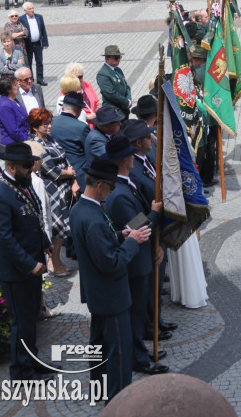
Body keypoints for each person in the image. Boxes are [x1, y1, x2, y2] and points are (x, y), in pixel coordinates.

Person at [70, 157, 150, 399]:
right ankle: (118, 401)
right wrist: (132, 242)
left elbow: (98, 244)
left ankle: (99, 390)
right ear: (100, 186)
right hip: (111, 295)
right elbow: (111, 262)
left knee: (99, 346)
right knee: (118, 351)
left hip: (97, 293)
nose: (112, 191)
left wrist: (118, 235)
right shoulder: (93, 217)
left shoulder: (81, 209)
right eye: (111, 187)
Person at [0, 142, 55, 381]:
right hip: (17, 271)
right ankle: (21, 372)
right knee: (22, 322)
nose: (31, 170)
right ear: (12, 166)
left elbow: (34, 215)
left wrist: (44, 240)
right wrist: (30, 264)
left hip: (32, 264)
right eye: (27, 167)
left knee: (30, 318)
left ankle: (31, 360)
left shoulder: (22, 183)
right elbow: (4, 239)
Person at [103, 135, 168, 376]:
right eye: (130, 153)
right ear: (124, 159)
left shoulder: (124, 183)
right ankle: (138, 358)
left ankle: (140, 352)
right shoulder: (119, 193)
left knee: (139, 312)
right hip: (134, 264)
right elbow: (135, 227)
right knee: (136, 314)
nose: (134, 156)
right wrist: (153, 213)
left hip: (140, 258)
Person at [28, 108, 77, 277]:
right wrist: (69, 173)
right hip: (51, 189)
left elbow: (63, 156)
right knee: (57, 227)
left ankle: (57, 260)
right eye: (45, 124)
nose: (49, 126)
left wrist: (71, 172)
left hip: (62, 188)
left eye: (50, 122)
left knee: (62, 227)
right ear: (35, 127)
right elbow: (51, 170)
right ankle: (54, 263)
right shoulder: (36, 144)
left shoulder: (50, 139)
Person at [51, 91, 90, 181]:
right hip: (79, 174)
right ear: (79, 109)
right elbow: (89, 151)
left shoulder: (51, 122)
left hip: (59, 171)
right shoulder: (82, 127)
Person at [17, 3, 49, 85]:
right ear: (25, 10)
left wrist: (45, 41)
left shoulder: (39, 17)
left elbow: (43, 30)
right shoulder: (21, 19)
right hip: (28, 44)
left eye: (33, 8)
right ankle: (30, 79)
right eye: (30, 9)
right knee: (29, 63)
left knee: (39, 62)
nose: (32, 10)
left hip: (38, 43)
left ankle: (40, 79)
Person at [97, 45, 132, 118]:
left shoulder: (118, 70)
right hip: (113, 112)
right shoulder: (103, 74)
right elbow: (110, 94)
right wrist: (126, 102)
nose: (119, 59)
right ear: (107, 58)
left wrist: (129, 100)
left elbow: (127, 87)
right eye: (116, 57)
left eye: (119, 57)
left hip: (124, 111)